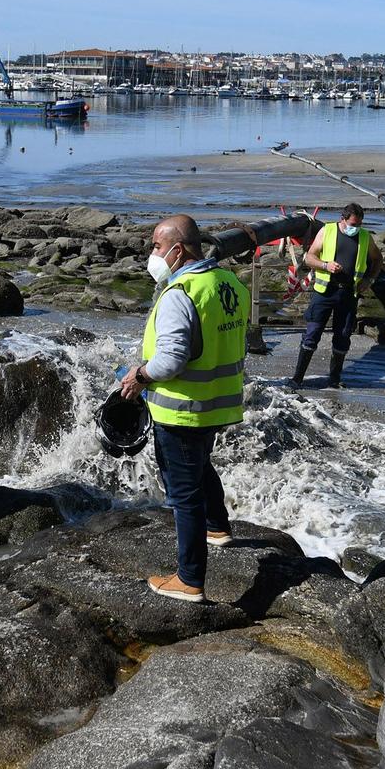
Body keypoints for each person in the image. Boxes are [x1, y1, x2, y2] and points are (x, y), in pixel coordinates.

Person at [118, 214, 248, 604]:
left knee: (183, 491)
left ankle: (190, 579)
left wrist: (140, 375)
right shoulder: (229, 284)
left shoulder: (181, 293)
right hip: (215, 403)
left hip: (180, 409)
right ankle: (218, 526)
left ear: (178, 249)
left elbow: (172, 359)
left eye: (156, 247)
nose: (152, 254)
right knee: (200, 463)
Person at [289, 203, 378, 390]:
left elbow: (377, 259)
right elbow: (309, 257)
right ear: (342, 219)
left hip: (348, 293)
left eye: (359, 224)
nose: (355, 228)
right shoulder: (327, 231)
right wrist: (325, 265)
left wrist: (369, 279)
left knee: (343, 336)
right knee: (312, 335)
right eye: (352, 224)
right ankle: (297, 378)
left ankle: (334, 379)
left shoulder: (364, 236)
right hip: (325, 292)